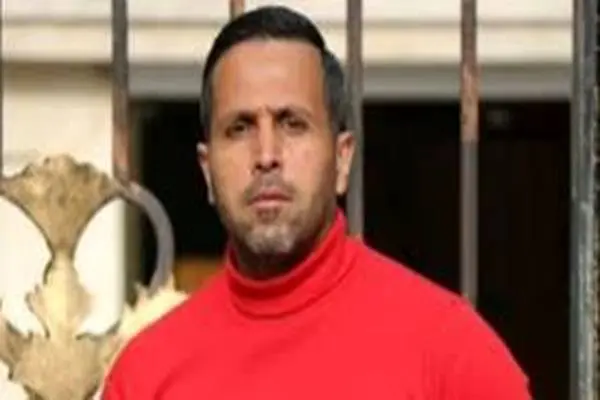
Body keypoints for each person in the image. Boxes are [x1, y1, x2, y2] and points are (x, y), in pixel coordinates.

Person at [103, 5, 531, 399]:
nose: (266, 155)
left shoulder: (450, 354)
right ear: (206, 169)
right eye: (240, 128)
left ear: (342, 159)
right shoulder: (145, 375)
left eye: (293, 124)